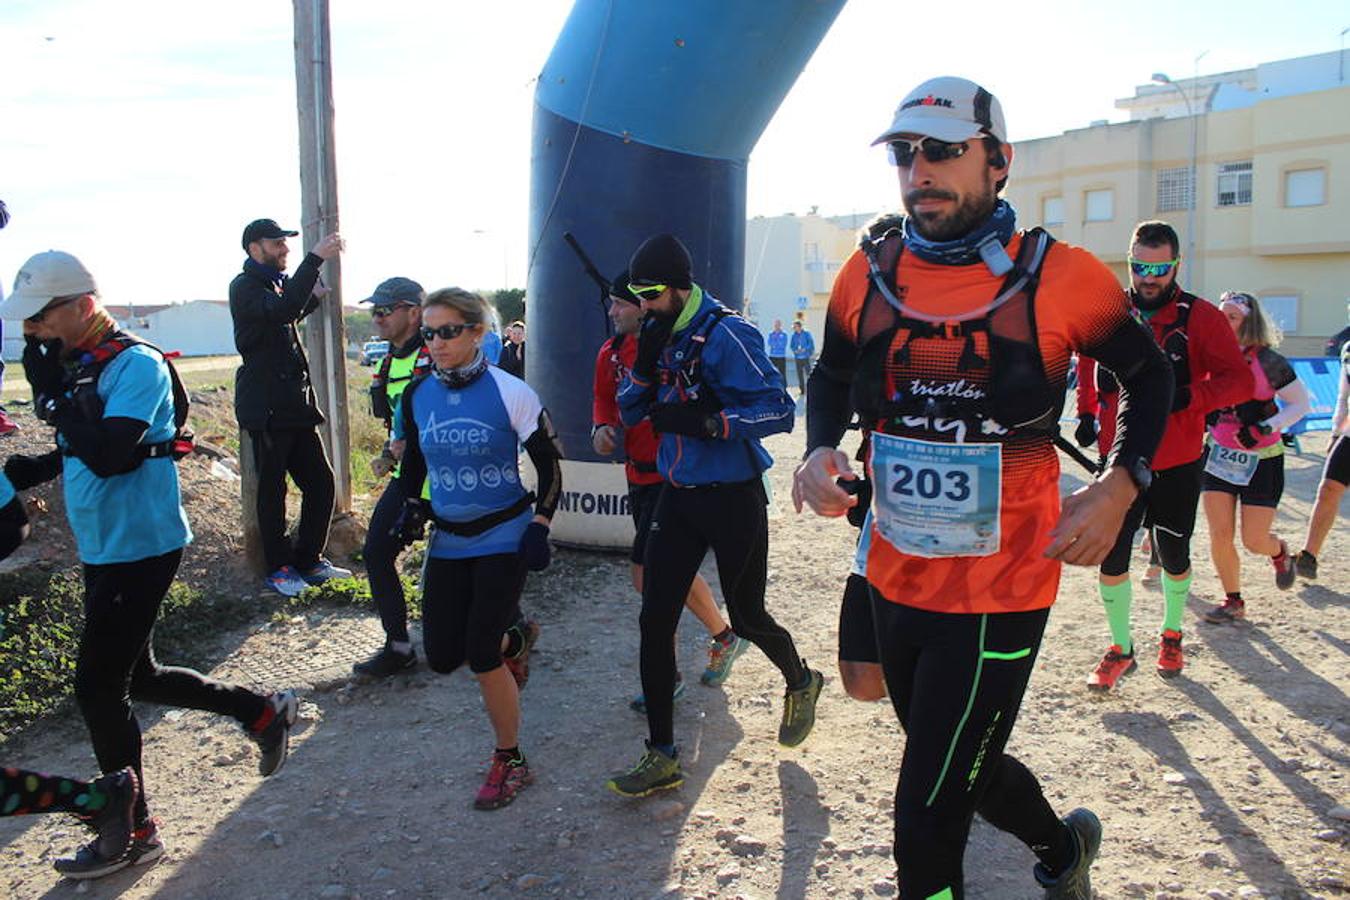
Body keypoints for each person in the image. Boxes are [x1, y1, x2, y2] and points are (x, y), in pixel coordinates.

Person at [792, 77, 1173, 899]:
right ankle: (1061, 848)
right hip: (895, 572)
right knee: (957, 760)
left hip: (1001, 589)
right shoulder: (870, 272)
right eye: (904, 153)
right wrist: (816, 449)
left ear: (998, 162)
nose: (918, 169)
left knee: (925, 817)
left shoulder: (1061, 276)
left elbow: (1152, 379)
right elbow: (828, 373)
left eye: (941, 150)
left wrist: (1118, 487)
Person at [1, 250, 299, 877]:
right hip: (104, 542)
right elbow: (83, 440)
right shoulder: (79, 362)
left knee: (97, 687)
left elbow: (112, 452)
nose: (30, 331)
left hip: (142, 544)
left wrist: (52, 405)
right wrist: (40, 463)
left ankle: (134, 827)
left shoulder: (136, 365)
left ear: (82, 306)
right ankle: (261, 711)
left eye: (39, 318)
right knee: (141, 676)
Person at [606, 233, 821, 798]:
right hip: (678, 495)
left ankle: (801, 679)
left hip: (732, 495)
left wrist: (711, 423)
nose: (644, 305)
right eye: (637, 295)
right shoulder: (657, 334)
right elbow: (633, 409)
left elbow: (780, 410)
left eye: (651, 294)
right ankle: (662, 754)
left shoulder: (730, 334)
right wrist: (646, 369)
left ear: (680, 288)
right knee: (654, 618)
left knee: (748, 617)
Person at [392, 287, 562, 810]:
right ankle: (518, 636)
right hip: (449, 540)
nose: (437, 343)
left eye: (448, 332)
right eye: (428, 333)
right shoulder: (417, 395)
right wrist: (413, 508)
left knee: (481, 654)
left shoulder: (511, 391)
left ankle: (510, 759)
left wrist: (539, 523)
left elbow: (551, 465)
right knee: (444, 657)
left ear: (477, 333)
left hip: (504, 534)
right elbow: (415, 469)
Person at [1082, 221, 1251, 688]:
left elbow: (1238, 379)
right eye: (1140, 266)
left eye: (1159, 267)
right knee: (1111, 557)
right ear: (1130, 263)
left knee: (1174, 553)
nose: (1148, 277)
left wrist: (1187, 397)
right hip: (1118, 462)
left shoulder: (1200, 317)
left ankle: (1172, 633)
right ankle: (1121, 648)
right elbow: (1084, 359)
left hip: (1177, 460)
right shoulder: (1111, 311)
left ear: (1175, 265)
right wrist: (1084, 410)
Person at [592, 269, 749, 710]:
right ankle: (723, 635)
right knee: (663, 573)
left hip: (672, 476)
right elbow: (604, 399)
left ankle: (668, 672)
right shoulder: (609, 352)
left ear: (643, 306)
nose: (613, 311)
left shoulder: (671, 351)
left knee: (650, 576)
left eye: (619, 303)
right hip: (636, 476)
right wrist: (600, 427)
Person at [229, 218, 351, 597]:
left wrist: (311, 299)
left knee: (320, 481)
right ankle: (279, 569)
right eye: (276, 242)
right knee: (272, 492)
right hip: (265, 407)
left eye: (286, 243)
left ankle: (308, 560)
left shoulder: (273, 285)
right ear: (254, 248)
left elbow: (287, 314)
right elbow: (280, 312)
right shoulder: (245, 286)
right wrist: (314, 259)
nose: (284, 248)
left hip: (294, 406)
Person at [1200, 291, 1310, 622]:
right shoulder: (1210, 357)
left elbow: (1301, 405)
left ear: (1249, 322)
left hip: (1263, 459)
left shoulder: (1270, 362)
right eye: (1221, 316)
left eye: (1231, 317)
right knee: (1220, 533)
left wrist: (1265, 427)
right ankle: (1233, 600)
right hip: (1219, 455)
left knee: (1254, 540)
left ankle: (1279, 552)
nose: (1223, 322)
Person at [351, 277, 432, 678]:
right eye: (374, 311)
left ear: (414, 312)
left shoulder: (439, 352)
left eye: (385, 310)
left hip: (449, 479)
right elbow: (398, 425)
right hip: (409, 477)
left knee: (472, 560)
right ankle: (398, 645)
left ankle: (513, 628)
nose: (377, 318)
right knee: (376, 552)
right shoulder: (387, 361)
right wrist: (389, 453)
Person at [1296, 334, 1350, 579]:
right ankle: (1309, 555)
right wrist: (1335, 431)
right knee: (1328, 488)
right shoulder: (1348, 348)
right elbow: (1343, 395)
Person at [789, 319, 815, 395]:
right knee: (800, 375)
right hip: (798, 358)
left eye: (795, 327)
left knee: (809, 374)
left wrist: (805, 349)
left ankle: (811, 389)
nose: (794, 328)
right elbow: (792, 345)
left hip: (805, 357)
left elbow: (810, 343)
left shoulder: (806, 334)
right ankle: (802, 390)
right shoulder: (794, 335)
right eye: (794, 327)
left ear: (799, 327)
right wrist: (795, 350)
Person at [765, 318, 790, 386]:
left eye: (778, 324)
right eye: (776, 324)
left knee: (782, 372)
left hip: (781, 356)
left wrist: (775, 343)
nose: (777, 326)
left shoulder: (784, 334)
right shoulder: (771, 334)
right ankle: (773, 385)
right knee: (772, 371)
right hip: (772, 355)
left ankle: (784, 386)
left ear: (780, 325)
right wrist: (777, 343)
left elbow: (783, 344)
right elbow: (770, 343)